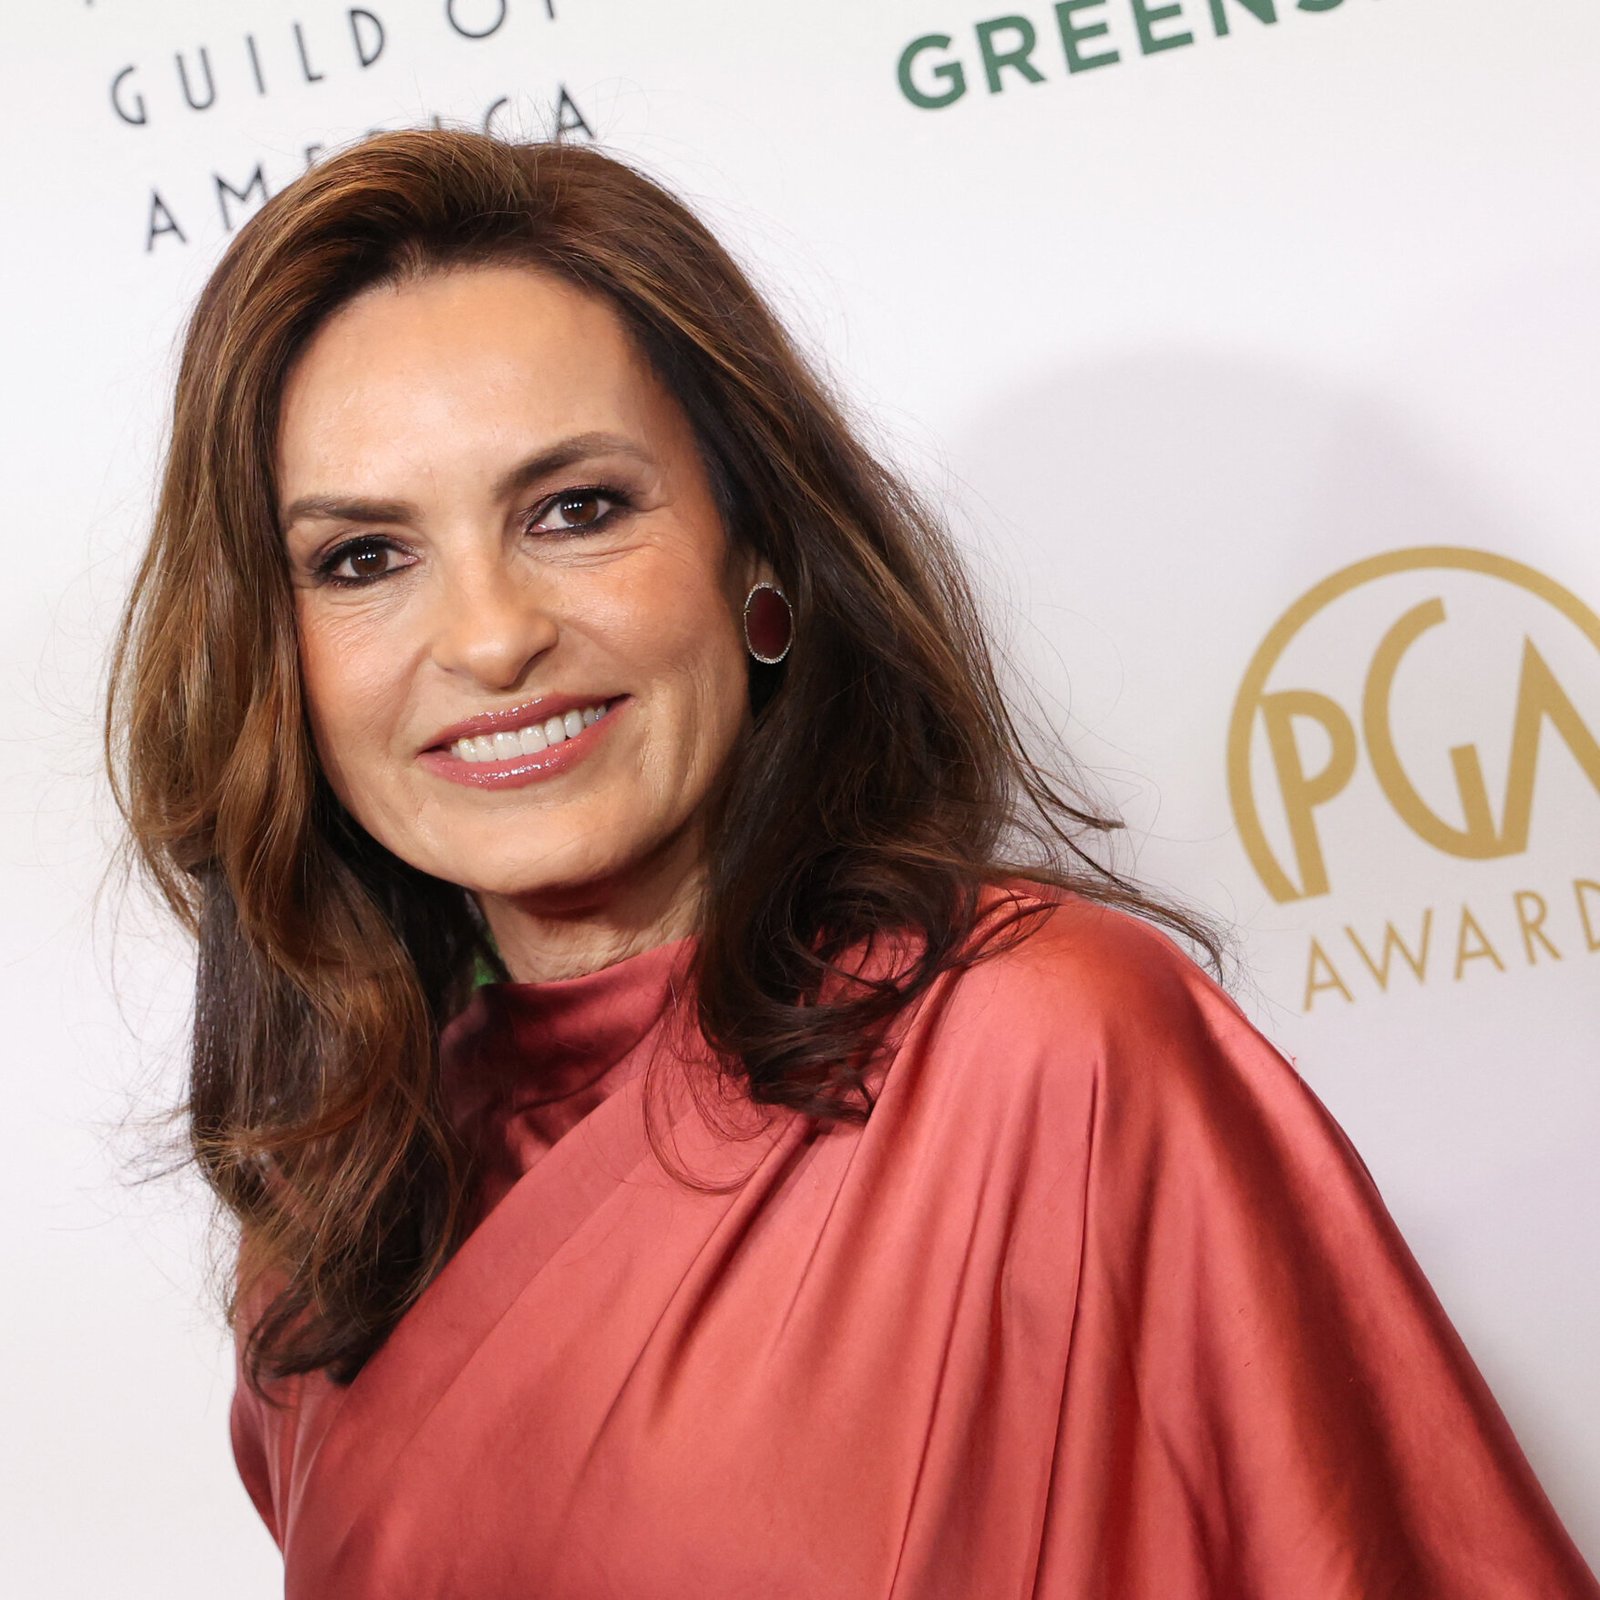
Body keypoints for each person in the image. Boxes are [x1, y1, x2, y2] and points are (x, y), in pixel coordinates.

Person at [105, 127, 1597, 1599]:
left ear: (757, 556)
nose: (492, 638)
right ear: (276, 662)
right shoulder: (332, 1236)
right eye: (363, 558)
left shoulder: (1046, 1050)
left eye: (576, 510)